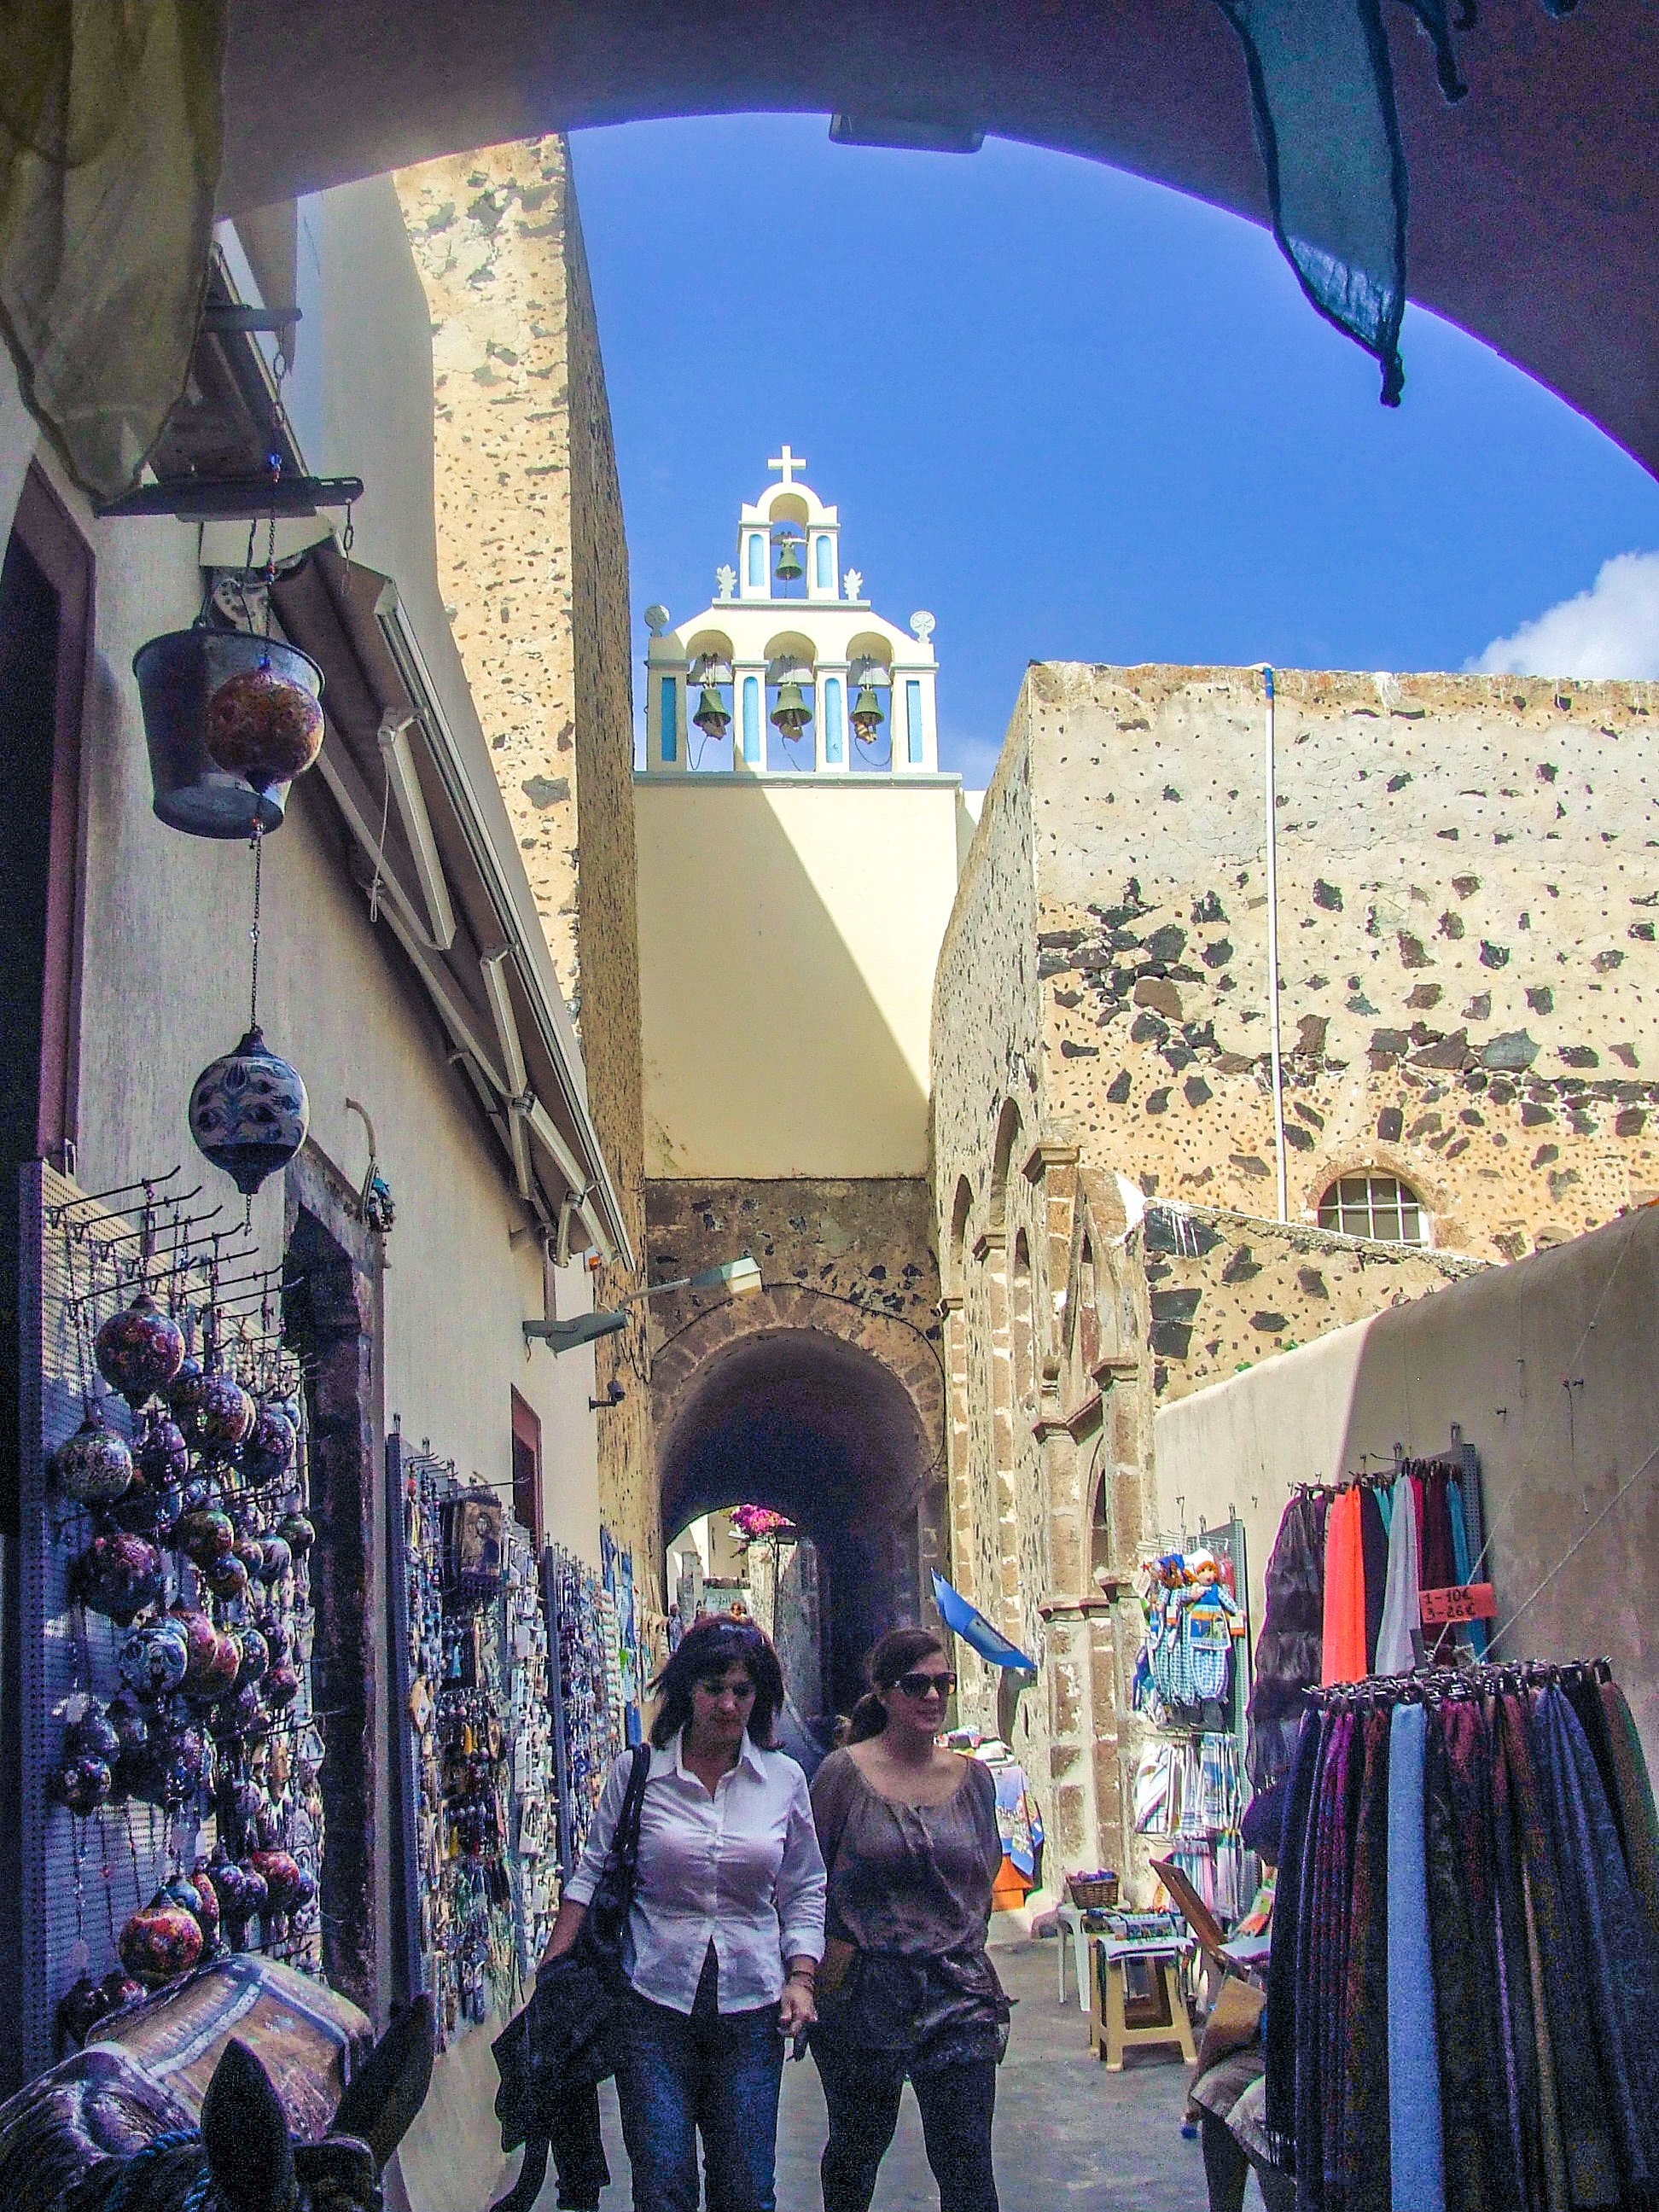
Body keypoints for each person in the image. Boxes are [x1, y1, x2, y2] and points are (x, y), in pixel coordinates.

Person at [543, 1615, 825, 2212]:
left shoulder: (783, 1780)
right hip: (651, 2005)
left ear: (760, 1697)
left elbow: (804, 1886)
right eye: (712, 1688)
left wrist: (801, 1978)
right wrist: (554, 1974)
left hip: (751, 2009)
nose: (727, 1704)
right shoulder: (639, 1774)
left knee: (746, 2189)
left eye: (742, 1690)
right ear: (686, 1690)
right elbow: (591, 1874)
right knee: (662, 2184)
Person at [808, 1626, 1009, 2212]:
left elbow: (985, 1873)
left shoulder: (974, 1780)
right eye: (917, 1684)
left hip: (958, 1993)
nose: (933, 1696)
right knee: (856, 2150)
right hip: (866, 1994)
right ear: (884, 1692)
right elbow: (808, 1876)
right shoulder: (842, 1775)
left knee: (967, 2164)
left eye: (944, 1683)